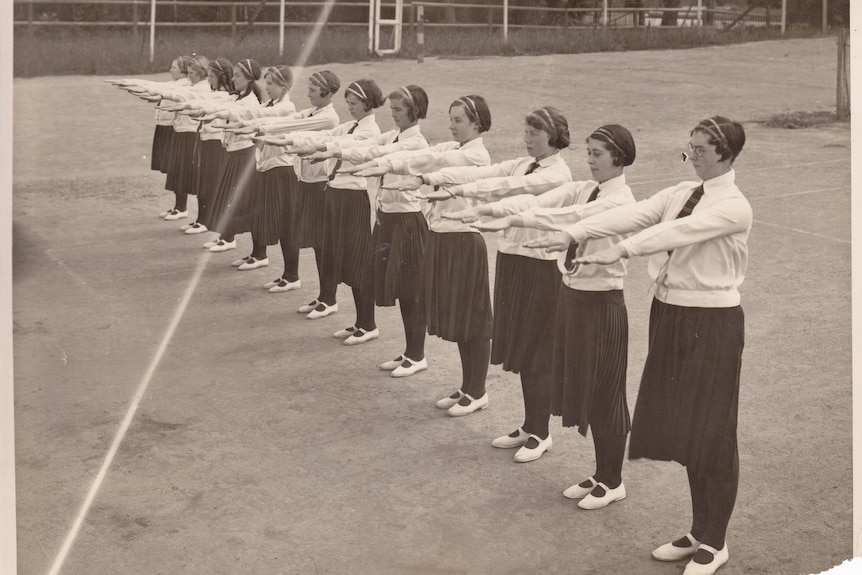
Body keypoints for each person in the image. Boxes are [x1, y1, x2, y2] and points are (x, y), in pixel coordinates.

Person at [527, 116, 749, 575]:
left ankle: (717, 539)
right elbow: (634, 214)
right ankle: (698, 528)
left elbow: (676, 233)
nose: (693, 156)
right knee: (686, 428)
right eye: (690, 148)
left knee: (712, 430)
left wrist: (623, 250)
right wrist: (577, 232)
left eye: (703, 149)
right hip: (669, 315)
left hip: (712, 322)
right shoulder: (679, 193)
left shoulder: (734, 206)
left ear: (726, 154)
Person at [459, 125, 636, 485]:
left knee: (604, 393)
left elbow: (571, 220)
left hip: (603, 303)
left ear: (619, 156)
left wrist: (518, 219)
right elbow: (539, 202)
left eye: (597, 154)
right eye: (588, 152)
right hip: (575, 297)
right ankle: (591, 466)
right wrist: (499, 211)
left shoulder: (620, 200)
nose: (589, 160)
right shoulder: (586, 189)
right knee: (580, 385)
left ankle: (611, 480)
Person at [386, 106, 572, 416]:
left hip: (539, 264)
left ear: (553, 137)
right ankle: (482, 395)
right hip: (513, 258)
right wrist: (436, 182)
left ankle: (531, 426)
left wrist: (472, 200)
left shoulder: (557, 173)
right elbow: (485, 174)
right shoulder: (525, 163)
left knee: (532, 350)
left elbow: (510, 187)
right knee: (493, 334)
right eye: (525, 132)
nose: (526, 139)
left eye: (534, 134)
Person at [343, 94, 493, 377]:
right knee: (447, 311)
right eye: (450, 119)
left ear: (477, 123)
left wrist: (393, 167)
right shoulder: (453, 145)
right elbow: (424, 156)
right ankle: (447, 375)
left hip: (463, 239)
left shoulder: (475, 154)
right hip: (444, 235)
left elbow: (433, 159)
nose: (451, 125)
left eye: (458, 120)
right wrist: (384, 162)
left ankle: (471, 388)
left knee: (470, 318)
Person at [301, 85, 431, 351]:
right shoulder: (393, 134)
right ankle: (366, 324)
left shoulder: (415, 141)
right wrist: (333, 150)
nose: (393, 115)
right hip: (387, 218)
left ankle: (415, 354)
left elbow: (378, 154)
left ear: (414, 111)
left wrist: (339, 154)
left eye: (398, 110)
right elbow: (367, 146)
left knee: (409, 292)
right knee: (373, 274)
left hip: (407, 220)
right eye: (392, 109)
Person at [276, 79, 387, 345]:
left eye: (354, 104)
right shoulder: (349, 126)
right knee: (336, 255)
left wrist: (322, 149)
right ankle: (357, 319)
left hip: (353, 198)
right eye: (348, 103)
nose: (349, 108)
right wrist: (292, 140)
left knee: (357, 261)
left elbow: (343, 147)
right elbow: (326, 137)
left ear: (368, 103)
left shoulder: (369, 131)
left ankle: (369, 324)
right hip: (335, 194)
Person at [243, 71, 342, 292]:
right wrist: (257, 126)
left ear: (327, 92)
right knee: (292, 228)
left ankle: (327, 297)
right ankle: (293, 276)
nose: (308, 94)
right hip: (303, 179)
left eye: (313, 90)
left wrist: (263, 130)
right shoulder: (310, 112)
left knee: (320, 242)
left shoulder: (329, 117)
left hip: (319, 184)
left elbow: (291, 129)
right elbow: (285, 121)